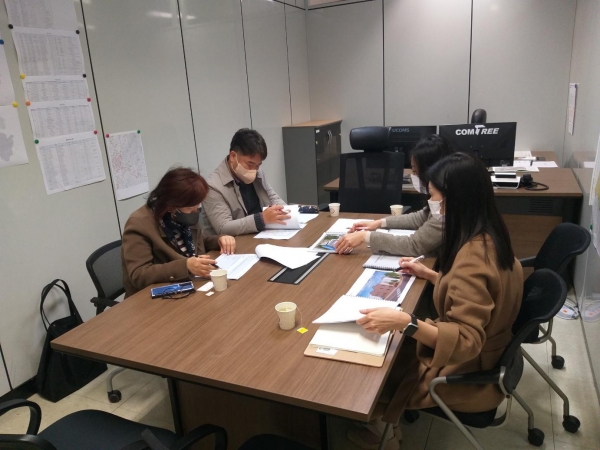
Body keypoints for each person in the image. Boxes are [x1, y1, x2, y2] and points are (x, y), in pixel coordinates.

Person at [348, 153, 523, 448]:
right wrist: (431, 275)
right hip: (491, 355)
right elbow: (480, 295)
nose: (431, 204)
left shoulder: (472, 256)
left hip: (468, 371)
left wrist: (405, 321)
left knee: (377, 367)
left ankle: (383, 434)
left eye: (434, 197)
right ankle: (386, 425)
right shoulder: (489, 233)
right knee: (392, 345)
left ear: (455, 200)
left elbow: (466, 340)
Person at [122, 168, 236, 297]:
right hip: (154, 298)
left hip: (190, 286)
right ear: (170, 205)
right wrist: (185, 266)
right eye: (190, 207)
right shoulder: (139, 224)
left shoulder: (182, 215)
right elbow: (138, 275)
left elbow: (198, 241)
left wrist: (219, 240)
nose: (195, 211)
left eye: (197, 206)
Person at [334, 135, 452, 256]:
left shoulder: (445, 211)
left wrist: (366, 236)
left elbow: (414, 245)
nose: (413, 175)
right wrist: (380, 223)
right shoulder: (444, 197)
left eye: (416, 171)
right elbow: (422, 217)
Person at [202, 128, 290, 236]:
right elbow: (223, 228)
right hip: (234, 243)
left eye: (257, 165)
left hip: (261, 235)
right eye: (250, 164)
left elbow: (272, 197)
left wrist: (288, 213)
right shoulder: (212, 186)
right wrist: (261, 219)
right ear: (233, 156)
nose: (253, 170)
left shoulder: (258, 173)